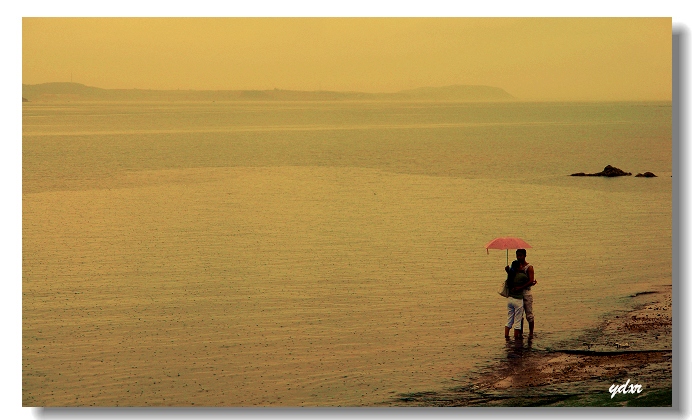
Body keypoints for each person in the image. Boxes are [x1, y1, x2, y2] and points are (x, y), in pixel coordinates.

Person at [505, 249, 537, 339]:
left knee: (529, 315)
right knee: (519, 316)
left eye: (520, 255)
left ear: (525, 255)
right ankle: (520, 333)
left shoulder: (529, 267)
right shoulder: (516, 266)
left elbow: (530, 280)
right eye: (517, 255)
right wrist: (508, 271)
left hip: (526, 293)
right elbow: (513, 278)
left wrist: (521, 287)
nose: (519, 257)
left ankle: (531, 333)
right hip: (517, 295)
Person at [504, 260, 529, 339]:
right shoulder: (521, 275)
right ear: (518, 267)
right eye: (521, 266)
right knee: (517, 322)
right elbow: (529, 280)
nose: (522, 267)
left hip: (510, 299)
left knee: (509, 320)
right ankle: (516, 339)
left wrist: (508, 271)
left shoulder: (510, 275)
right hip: (518, 300)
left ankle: (506, 337)